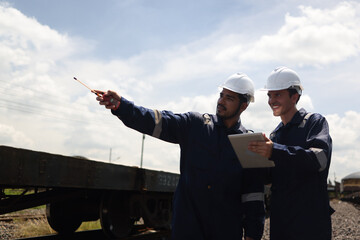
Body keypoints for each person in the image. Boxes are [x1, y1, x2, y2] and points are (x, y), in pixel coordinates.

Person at [95, 73, 265, 240]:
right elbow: (159, 121)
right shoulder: (196, 125)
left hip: (225, 231)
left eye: (230, 98)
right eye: (221, 95)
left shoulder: (248, 144)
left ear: (243, 106)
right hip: (188, 229)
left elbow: (253, 197)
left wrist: (253, 235)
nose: (221, 101)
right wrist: (122, 106)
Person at [248, 66, 333, 240]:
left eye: (277, 94)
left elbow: (319, 160)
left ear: (294, 96)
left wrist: (275, 151)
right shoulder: (275, 135)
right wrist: (255, 160)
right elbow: (271, 178)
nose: (271, 100)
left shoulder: (314, 123)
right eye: (269, 95)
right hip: (281, 224)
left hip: (310, 225)